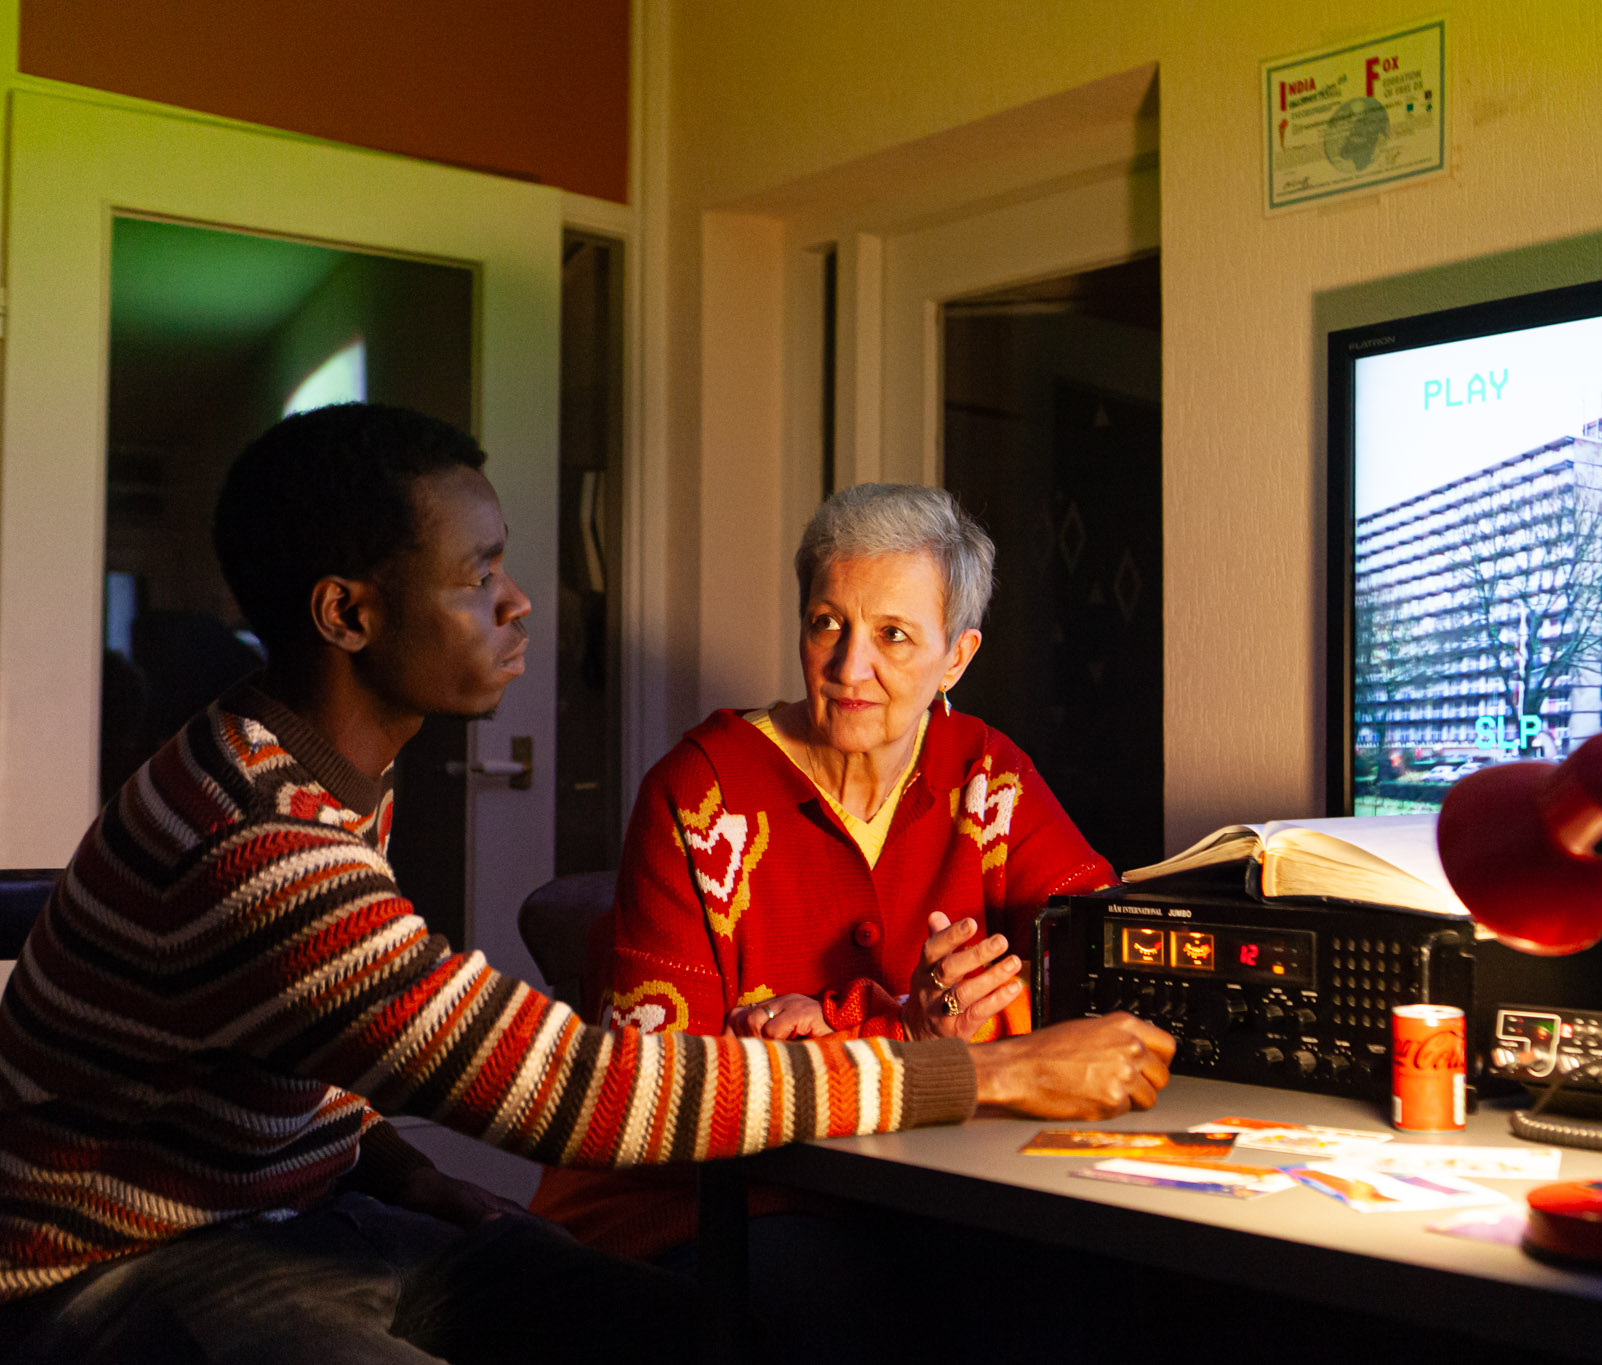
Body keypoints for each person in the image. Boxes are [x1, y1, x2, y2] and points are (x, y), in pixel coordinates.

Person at [0, 405, 1172, 1364]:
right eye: (480, 575)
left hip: (312, 1206)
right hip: (114, 1268)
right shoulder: (260, 838)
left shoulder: (316, 770)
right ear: (349, 612)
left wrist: (400, 1169)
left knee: (718, 1343)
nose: (517, 605)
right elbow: (573, 1092)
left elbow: (306, 1034)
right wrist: (986, 1066)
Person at [532, 484, 1117, 1259]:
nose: (850, 665)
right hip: (707, 1212)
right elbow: (663, 1093)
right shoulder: (700, 791)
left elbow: (1110, 968)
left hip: (916, 1194)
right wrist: (904, 1029)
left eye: (895, 635)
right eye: (827, 624)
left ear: (957, 657)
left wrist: (914, 1025)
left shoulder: (987, 774)